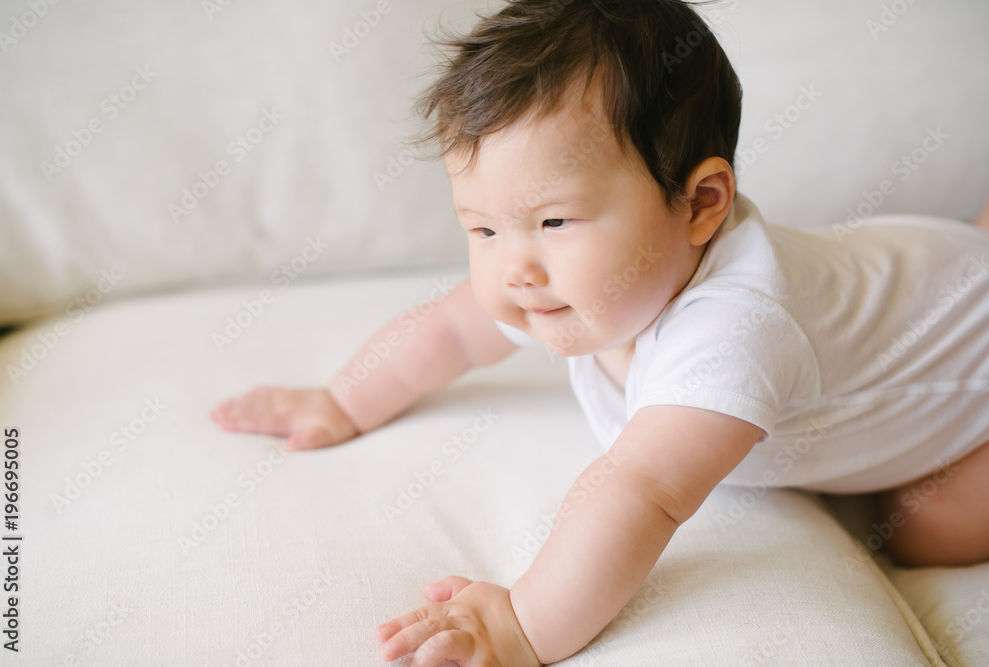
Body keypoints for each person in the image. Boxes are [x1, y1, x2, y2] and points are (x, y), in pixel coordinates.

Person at [210, 1, 989, 663]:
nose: (513, 266)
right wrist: (340, 401)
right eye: (481, 228)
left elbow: (641, 490)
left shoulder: (737, 329)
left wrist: (522, 621)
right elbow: (449, 329)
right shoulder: (572, 280)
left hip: (968, 341)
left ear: (700, 203)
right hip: (916, 270)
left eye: (553, 220)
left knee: (927, 526)